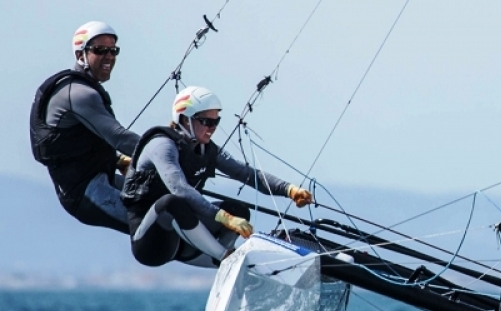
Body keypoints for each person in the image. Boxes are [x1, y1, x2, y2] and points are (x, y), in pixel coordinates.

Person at [121, 86, 313, 267]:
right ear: (186, 119)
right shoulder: (162, 145)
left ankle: (223, 259)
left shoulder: (207, 149)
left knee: (239, 210)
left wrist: (289, 190)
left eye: (216, 121)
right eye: (207, 122)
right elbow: (178, 188)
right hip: (150, 245)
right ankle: (225, 257)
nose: (212, 128)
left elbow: (244, 173)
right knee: (172, 202)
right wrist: (223, 217)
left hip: (187, 245)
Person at [29, 21, 140, 234]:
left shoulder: (85, 89)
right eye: (100, 50)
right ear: (81, 55)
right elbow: (119, 138)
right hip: (86, 193)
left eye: (113, 50)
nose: (109, 56)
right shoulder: (79, 94)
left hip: (102, 177)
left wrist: (117, 160)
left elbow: (83, 140)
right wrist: (164, 151)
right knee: (160, 220)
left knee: (165, 203)